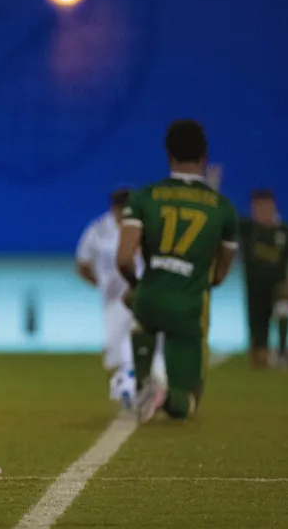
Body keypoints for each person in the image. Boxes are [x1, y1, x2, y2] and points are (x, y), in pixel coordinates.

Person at [117, 120, 239, 422]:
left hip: (151, 297)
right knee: (188, 403)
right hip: (189, 306)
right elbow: (220, 274)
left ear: (169, 155)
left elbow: (123, 258)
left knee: (140, 318)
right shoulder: (222, 207)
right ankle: (169, 397)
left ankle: (146, 384)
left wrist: (138, 285)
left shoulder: (145, 196)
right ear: (204, 156)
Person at [76, 188, 166, 408]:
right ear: (113, 207)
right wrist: (101, 284)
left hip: (141, 296)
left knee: (148, 345)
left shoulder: (144, 226)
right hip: (113, 301)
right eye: (120, 207)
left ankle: (153, 391)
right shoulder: (98, 230)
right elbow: (83, 263)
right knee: (115, 355)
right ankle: (126, 395)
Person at [238, 189, 288, 368]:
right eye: (256, 208)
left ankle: (283, 352)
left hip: (279, 288)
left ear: (272, 206)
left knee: (283, 305)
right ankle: (265, 352)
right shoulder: (248, 229)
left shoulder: (287, 233)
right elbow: (219, 221)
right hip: (255, 294)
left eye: (264, 207)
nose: (260, 212)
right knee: (259, 359)